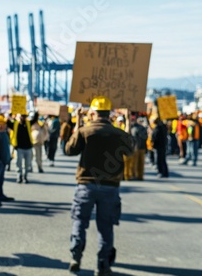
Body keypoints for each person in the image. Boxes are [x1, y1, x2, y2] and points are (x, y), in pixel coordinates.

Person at [65, 96, 134, 276]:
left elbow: (69, 150)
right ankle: (102, 265)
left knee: (79, 222)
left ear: (93, 113)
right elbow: (130, 149)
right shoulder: (118, 133)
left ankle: (76, 257)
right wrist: (127, 122)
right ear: (110, 114)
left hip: (86, 185)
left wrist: (79, 122)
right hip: (110, 186)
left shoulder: (85, 131)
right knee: (106, 227)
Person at [7, 111, 37, 183]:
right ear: (18, 116)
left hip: (28, 147)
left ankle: (25, 176)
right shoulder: (15, 124)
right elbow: (8, 123)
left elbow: (35, 119)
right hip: (19, 148)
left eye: (24, 116)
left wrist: (36, 111)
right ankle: (19, 176)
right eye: (21, 116)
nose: (23, 118)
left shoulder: (28, 123)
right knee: (18, 163)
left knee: (27, 164)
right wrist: (10, 114)